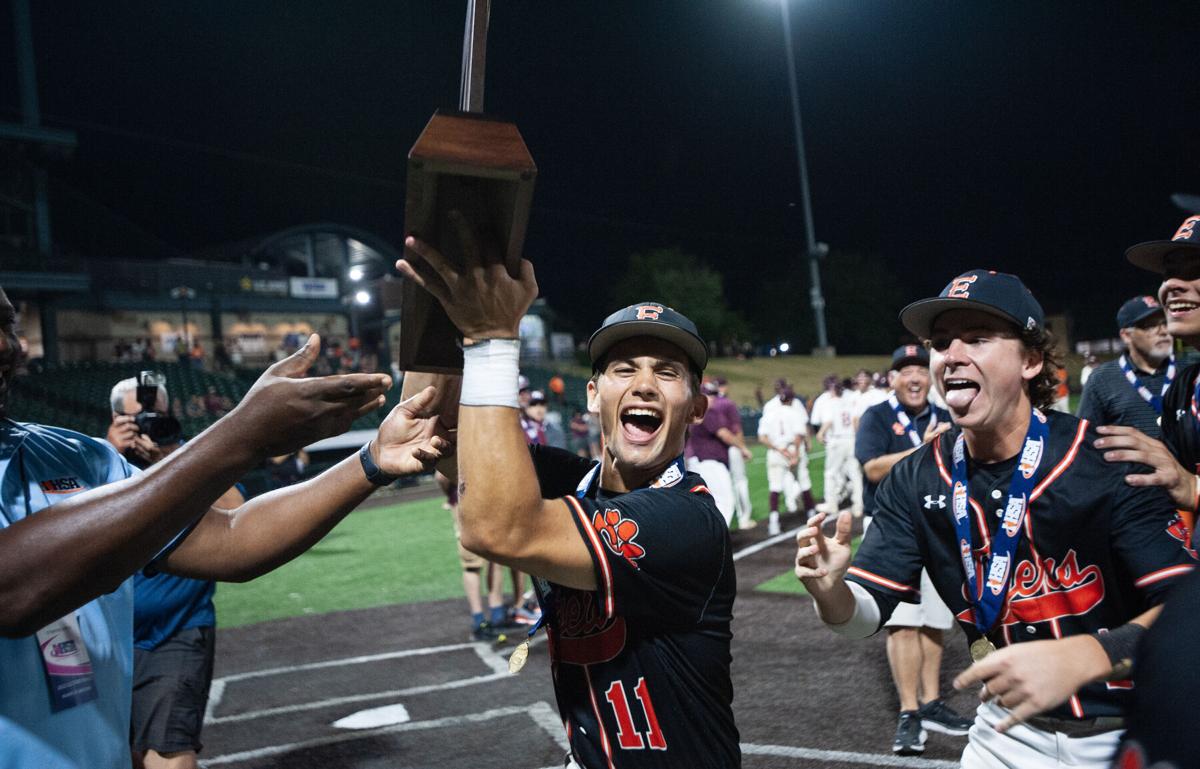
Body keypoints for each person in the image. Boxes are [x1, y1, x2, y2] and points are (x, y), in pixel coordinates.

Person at [0, 285, 451, 769]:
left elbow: (232, 537)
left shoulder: (73, 455)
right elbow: (13, 590)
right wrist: (242, 432)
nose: (11, 344)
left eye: (9, 323)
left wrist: (371, 461)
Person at [795, 269, 1195, 769]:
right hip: (1005, 734)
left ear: (1030, 360)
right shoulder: (916, 476)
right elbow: (861, 619)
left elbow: (1188, 610)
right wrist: (829, 590)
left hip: (1124, 727)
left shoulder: (1108, 459)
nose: (952, 355)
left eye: (978, 339)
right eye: (941, 342)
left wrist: (1090, 654)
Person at [398, 225, 740, 768]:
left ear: (696, 408)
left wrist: (490, 338)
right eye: (623, 369)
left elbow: (496, 529)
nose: (644, 385)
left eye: (668, 373)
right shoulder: (571, 483)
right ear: (592, 396)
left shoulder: (687, 520)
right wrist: (438, 306)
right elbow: (428, 427)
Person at [107, 376, 246, 769]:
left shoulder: (187, 456)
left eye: (157, 415)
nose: (148, 424)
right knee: (128, 754)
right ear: (116, 419)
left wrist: (169, 461)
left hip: (176, 629)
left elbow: (237, 510)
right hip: (112, 640)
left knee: (168, 755)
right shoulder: (98, 461)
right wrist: (109, 451)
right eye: (137, 418)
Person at [854, 344, 968, 754]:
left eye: (921, 369)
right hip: (892, 527)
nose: (915, 378)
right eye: (905, 371)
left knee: (937, 619)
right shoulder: (877, 416)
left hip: (939, 526)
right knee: (902, 620)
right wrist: (926, 450)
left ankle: (932, 701)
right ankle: (908, 711)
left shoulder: (947, 414)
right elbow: (872, 467)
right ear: (893, 379)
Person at [1076, 296, 1173, 440]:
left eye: (1165, 323)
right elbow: (1085, 440)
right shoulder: (1101, 379)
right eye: (1150, 325)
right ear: (1126, 335)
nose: (1163, 331)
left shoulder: (1189, 372)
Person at [684, 380, 746, 527]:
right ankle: (718, 541)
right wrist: (743, 448)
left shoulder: (693, 412)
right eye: (708, 395)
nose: (712, 398)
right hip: (709, 462)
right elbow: (724, 434)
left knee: (708, 504)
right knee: (724, 502)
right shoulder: (706, 411)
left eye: (713, 395)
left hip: (698, 461)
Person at [757, 386, 807, 537]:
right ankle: (811, 515)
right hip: (792, 448)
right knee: (804, 482)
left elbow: (762, 438)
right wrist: (795, 454)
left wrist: (779, 450)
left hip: (776, 451)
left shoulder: (770, 413)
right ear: (792, 399)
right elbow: (799, 435)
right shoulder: (795, 412)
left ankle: (773, 523)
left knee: (775, 487)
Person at [815, 376, 864, 517]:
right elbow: (856, 420)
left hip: (837, 440)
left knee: (830, 473)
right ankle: (858, 505)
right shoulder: (849, 401)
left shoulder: (830, 402)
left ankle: (831, 504)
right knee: (855, 474)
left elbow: (828, 420)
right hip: (851, 439)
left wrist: (821, 432)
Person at [716, 377, 755, 530]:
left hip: (715, 451)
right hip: (731, 447)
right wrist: (742, 447)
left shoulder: (709, 404)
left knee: (723, 486)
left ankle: (726, 518)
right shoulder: (727, 403)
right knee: (740, 482)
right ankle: (744, 518)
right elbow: (736, 428)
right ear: (724, 387)